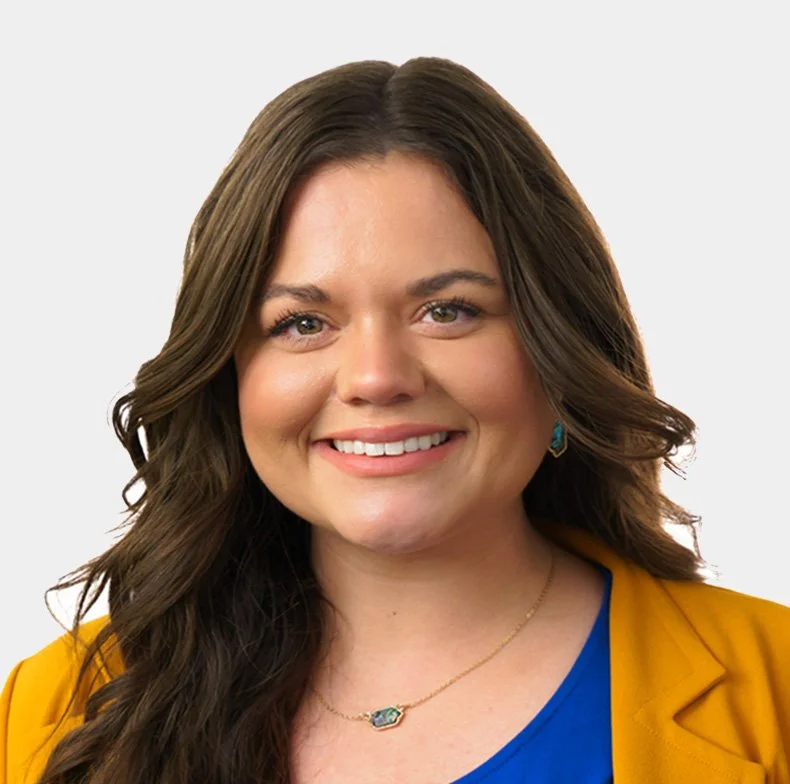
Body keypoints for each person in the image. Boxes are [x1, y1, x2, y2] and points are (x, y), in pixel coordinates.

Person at [1, 56, 788, 784]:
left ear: (558, 354)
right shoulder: (52, 711)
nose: (377, 378)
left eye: (448, 311)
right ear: (229, 378)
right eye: (303, 324)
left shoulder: (774, 683)